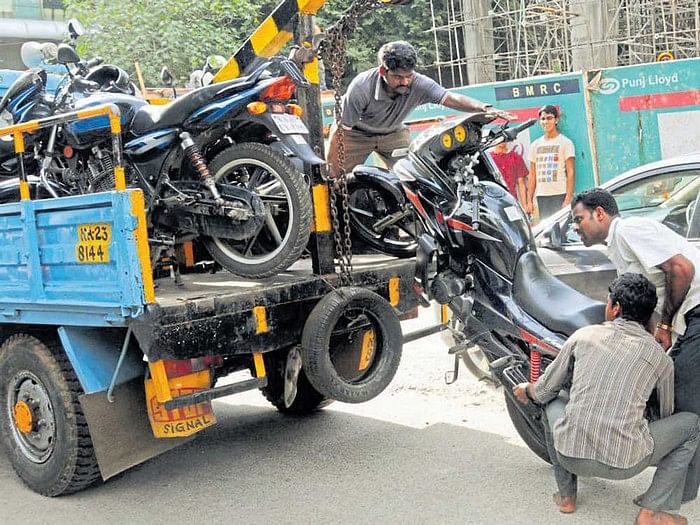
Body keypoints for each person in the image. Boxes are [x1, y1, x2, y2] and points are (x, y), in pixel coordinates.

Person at [514, 273, 700, 524]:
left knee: (553, 399)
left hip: (571, 456)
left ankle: (567, 496)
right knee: (690, 425)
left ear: (615, 308)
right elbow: (665, 414)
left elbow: (544, 391)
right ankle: (652, 512)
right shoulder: (660, 359)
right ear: (649, 316)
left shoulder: (583, 336)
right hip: (628, 464)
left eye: (608, 301)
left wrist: (526, 389)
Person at [571, 187, 700, 506]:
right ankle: (678, 490)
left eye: (579, 219)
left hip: (697, 309)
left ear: (599, 213)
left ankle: (671, 496)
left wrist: (667, 326)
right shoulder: (617, 247)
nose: (576, 227)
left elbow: (682, 269)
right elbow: (647, 304)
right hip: (690, 317)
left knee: (685, 407)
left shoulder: (628, 230)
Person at [326, 41, 514, 179]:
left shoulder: (419, 83)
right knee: (337, 181)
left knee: (415, 176)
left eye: (409, 76)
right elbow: (339, 131)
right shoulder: (361, 87)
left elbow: (450, 98)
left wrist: (483, 107)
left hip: (393, 133)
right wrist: (332, 170)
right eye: (399, 77)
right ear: (383, 72)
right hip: (356, 134)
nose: (405, 82)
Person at [525, 104, 575, 220]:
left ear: (556, 120)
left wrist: (568, 199)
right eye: (542, 119)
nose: (545, 122)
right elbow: (532, 175)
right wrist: (529, 201)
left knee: (561, 231)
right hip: (542, 196)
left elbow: (571, 172)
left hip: (560, 194)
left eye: (549, 118)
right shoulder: (535, 145)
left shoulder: (565, 143)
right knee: (547, 232)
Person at [489, 141, 528, 206]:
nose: (501, 141)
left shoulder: (516, 157)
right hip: (493, 201)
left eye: (504, 138)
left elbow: (521, 184)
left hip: (511, 199)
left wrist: (524, 206)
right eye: (499, 138)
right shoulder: (488, 158)